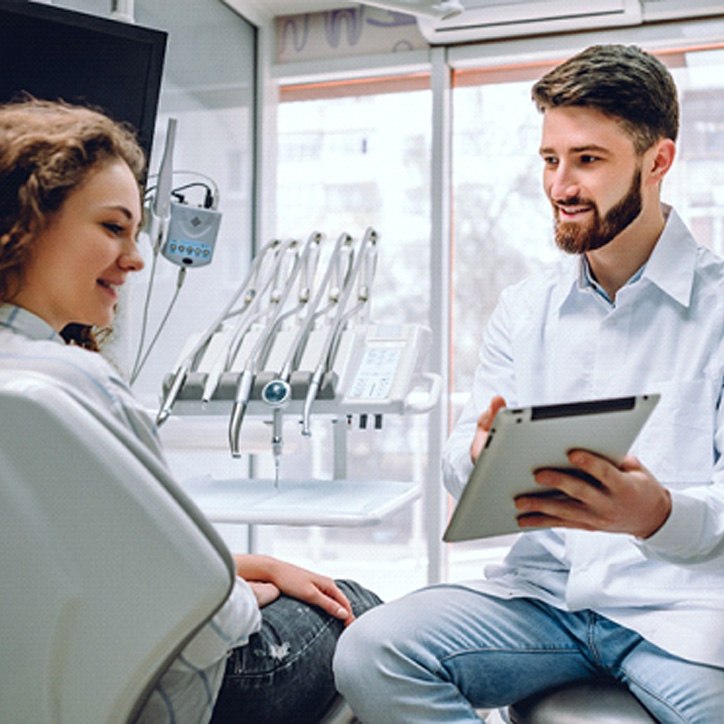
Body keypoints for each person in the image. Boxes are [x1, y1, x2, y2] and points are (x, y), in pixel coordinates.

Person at [333, 44, 724, 723]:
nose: (561, 186)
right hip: (546, 599)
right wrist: (482, 457)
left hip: (683, 609)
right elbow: (461, 461)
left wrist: (653, 515)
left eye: (589, 160)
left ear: (657, 160)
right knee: (370, 652)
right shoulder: (525, 308)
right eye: (551, 160)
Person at [0, 97, 381, 723]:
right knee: (360, 607)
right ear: (29, 219)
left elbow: (60, 561)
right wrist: (236, 593)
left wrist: (238, 567)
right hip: (165, 695)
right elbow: (209, 625)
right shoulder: (77, 385)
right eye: (112, 228)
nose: (136, 257)